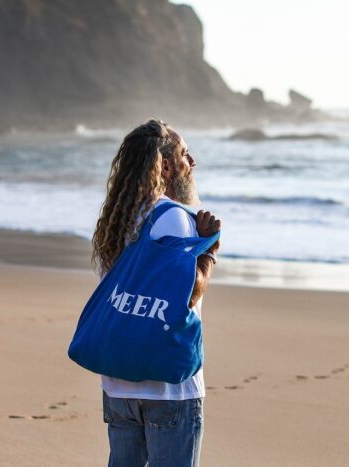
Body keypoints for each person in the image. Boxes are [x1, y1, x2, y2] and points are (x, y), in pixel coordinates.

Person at [90, 119, 221, 467]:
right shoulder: (174, 218)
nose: (192, 163)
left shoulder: (115, 220)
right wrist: (209, 250)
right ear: (164, 167)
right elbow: (186, 295)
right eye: (184, 154)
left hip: (118, 386)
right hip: (168, 389)